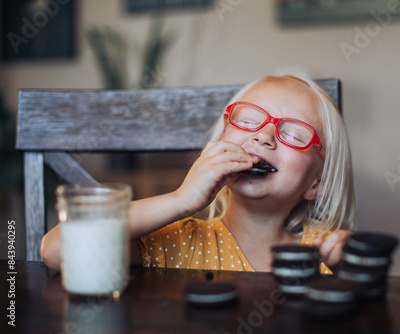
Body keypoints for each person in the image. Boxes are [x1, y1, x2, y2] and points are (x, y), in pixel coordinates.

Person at [40, 73, 356, 274]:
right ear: (217, 145)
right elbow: (56, 250)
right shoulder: (180, 243)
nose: (263, 136)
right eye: (248, 120)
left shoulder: (327, 256)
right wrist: (180, 200)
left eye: (294, 135)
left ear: (318, 183)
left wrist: (353, 271)